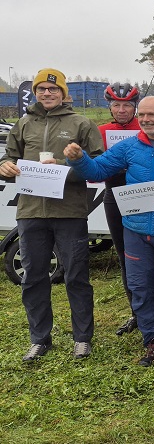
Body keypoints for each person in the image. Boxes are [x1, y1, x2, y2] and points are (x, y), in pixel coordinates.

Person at [64, 96, 154, 370]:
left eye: (152, 114)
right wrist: (79, 159)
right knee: (140, 288)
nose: (146, 119)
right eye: (142, 115)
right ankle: (152, 339)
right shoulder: (128, 147)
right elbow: (98, 170)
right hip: (135, 232)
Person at [0, 68, 103, 362]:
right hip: (31, 211)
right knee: (33, 277)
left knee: (76, 276)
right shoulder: (23, 124)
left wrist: (72, 164)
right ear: (35, 92)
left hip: (69, 211)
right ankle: (39, 338)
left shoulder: (80, 123)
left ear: (63, 93)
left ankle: (82, 338)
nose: (47, 93)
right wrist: (4, 167)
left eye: (53, 89)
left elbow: (97, 163)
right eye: (42, 89)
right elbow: (10, 158)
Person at [98, 83, 143, 335]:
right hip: (114, 196)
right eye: (117, 105)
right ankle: (136, 313)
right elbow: (93, 170)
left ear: (135, 106)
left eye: (127, 105)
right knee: (126, 257)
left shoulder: (144, 127)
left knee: (149, 257)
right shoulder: (101, 130)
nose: (122, 110)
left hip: (143, 194)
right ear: (110, 106)